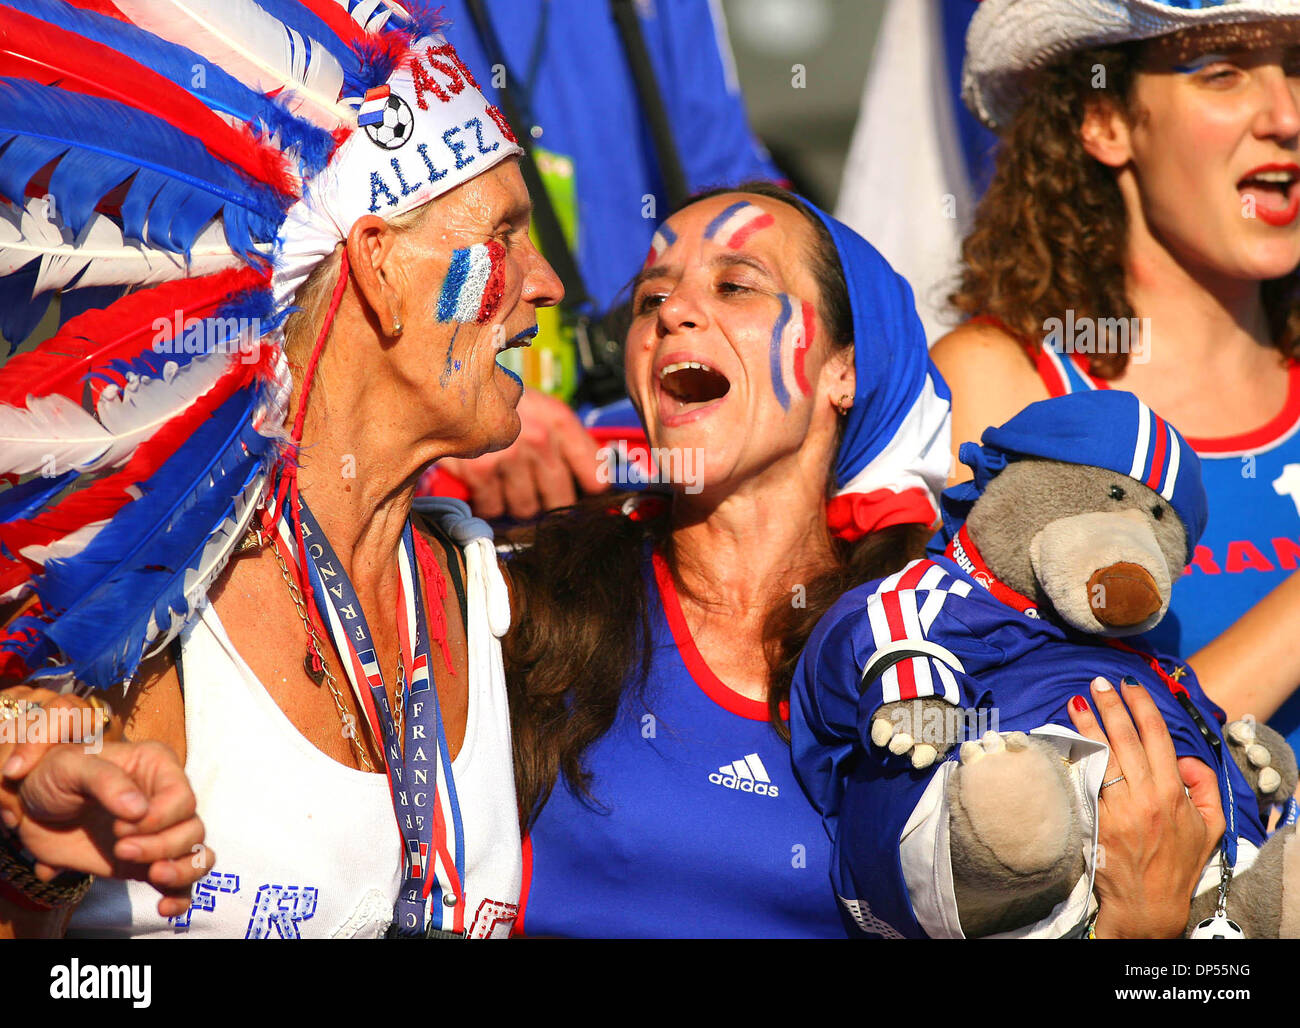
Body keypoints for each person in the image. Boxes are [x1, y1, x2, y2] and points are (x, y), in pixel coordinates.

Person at [503, 182, 1220, 937]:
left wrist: (1137, 935)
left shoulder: (955, 634)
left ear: (845, 369)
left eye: (735, 284)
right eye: (650, 299)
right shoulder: (530, 597)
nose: (671, 313)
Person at [0, 4, 559, 939]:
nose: (546, 283)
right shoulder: (151, 601)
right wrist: (28, 858)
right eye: (504, 233)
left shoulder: (489, 594)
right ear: (377, 267)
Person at [930, 0, 1300, 754]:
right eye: (1223, 73)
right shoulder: (1003, 388)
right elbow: (1021, 770)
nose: (1285, 115)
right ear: (1104, 123)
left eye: (1298, 69)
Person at [424, 0, 784, 520]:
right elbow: (295, 260)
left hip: (653, 476)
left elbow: (747, 202)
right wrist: (447, 391)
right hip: (460, 492)